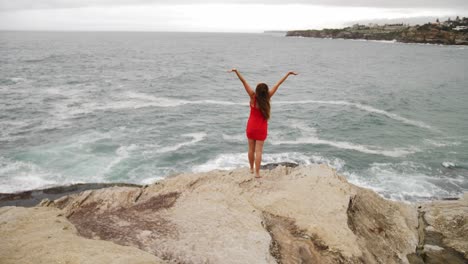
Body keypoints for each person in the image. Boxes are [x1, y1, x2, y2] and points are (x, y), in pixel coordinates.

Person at [229, 69, 298, 178]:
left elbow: (243, 82)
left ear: (257, 90)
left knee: (250, 149)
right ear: (266, 92)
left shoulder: (252, 97)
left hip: (251, 127)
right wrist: (287, 74)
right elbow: (278, 84)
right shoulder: (267, 97)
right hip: (261, 128)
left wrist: (236, 72)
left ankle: (251, 169)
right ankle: (257, 173)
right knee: (259, 151)